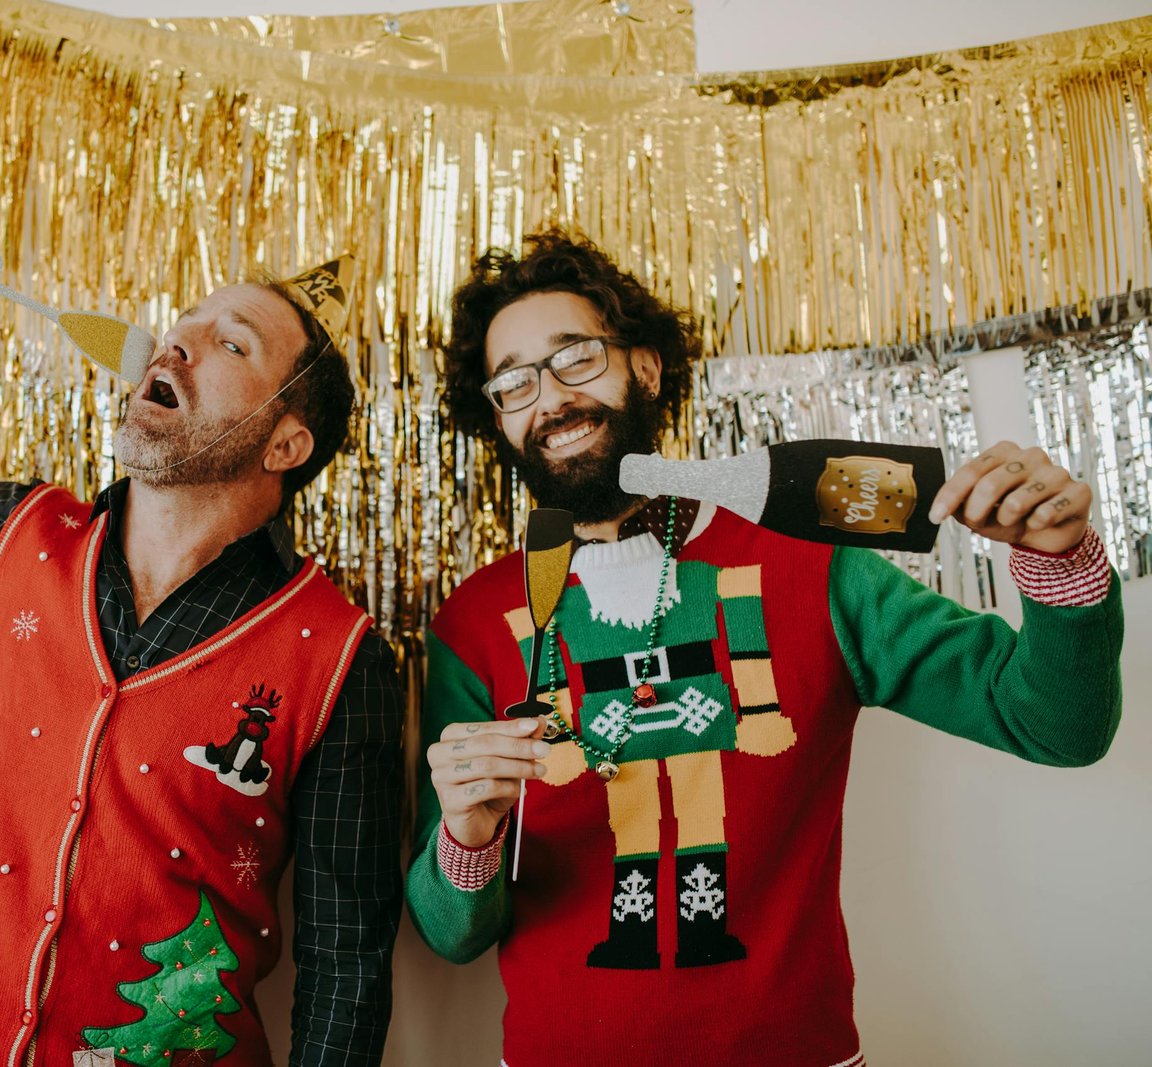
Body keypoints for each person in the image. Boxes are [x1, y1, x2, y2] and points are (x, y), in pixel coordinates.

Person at [405, 230, 1122, 1066]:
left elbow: (1059, 725)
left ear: (645, 368)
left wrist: (1056, 558)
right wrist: (467, 832)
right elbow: (452, 936)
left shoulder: (813, 566)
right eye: (514, 382)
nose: (551, 398)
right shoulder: (474, 620)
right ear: (498, 416)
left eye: (576, 357)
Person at [0, 195, 403, 1067]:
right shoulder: (3, 536)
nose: (174, 343)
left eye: (230, 342)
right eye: (180, 324)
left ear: (284, 443)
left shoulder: (343, 658)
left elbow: (345, 964)